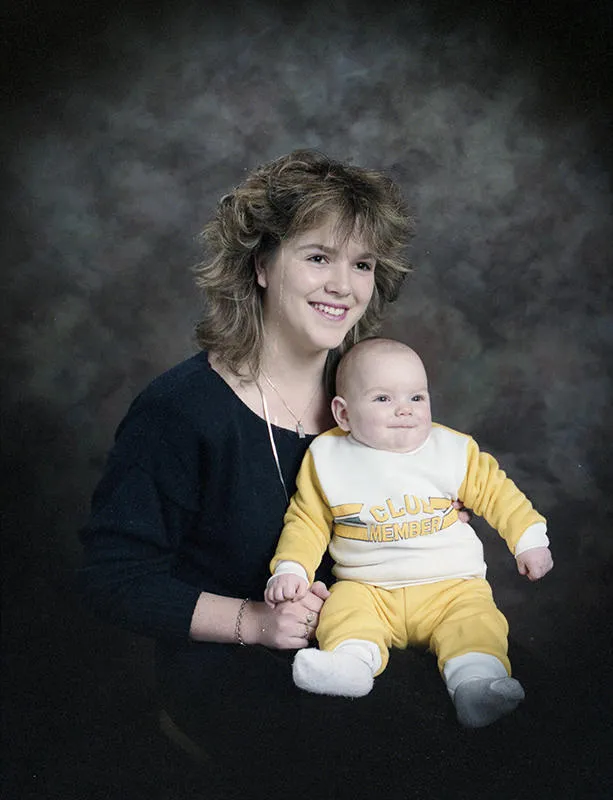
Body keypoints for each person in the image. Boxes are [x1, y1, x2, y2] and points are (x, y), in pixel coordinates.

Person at [79, 150, 425, 778]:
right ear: (262, 264)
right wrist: (255, 622)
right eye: (318, 256)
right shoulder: (181, 410)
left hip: (368, 647)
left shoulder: (373, 398)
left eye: (363, 264)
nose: (344, 286)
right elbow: (112, 577)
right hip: (238, 681)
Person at [265, 338, 553, 728]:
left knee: (475, 623)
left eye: (417, 397)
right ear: (343, 413)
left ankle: (476, 686)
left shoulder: (452, 450)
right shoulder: (328, 458)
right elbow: (307, 521)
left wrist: (529, 539)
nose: (405, 409)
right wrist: (292, 569)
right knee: (343, 612)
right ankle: (350, 664)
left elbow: (498, 494)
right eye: (383, 399)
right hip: (368, 587)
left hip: (451, 585)